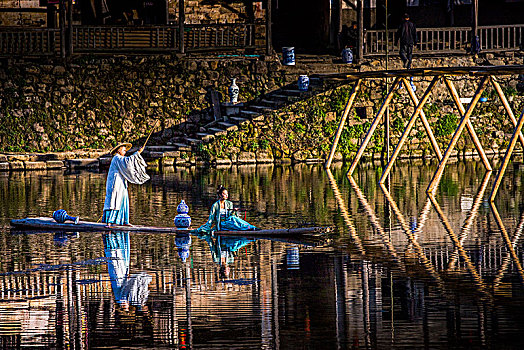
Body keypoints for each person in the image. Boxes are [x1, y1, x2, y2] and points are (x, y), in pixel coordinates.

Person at [103, 142, 150, 227]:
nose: (125, 151)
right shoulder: (117, 158)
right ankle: (110, 222)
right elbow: (127, 162)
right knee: (114, 201)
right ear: (118, 150)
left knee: (124, 201)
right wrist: (138, 153)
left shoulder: (120, 158)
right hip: (115, 184)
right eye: (123, 149)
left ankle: (125, 220)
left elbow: (127, 163)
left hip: (121, 184)